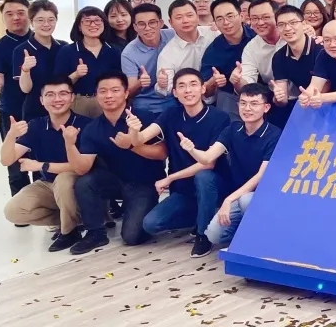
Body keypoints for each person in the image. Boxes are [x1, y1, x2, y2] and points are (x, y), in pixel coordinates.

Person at [131, 69, 232, 258]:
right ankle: (201, 216)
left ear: (203, 89)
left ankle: (203, 234)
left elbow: (208, 164)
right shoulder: (171, 114)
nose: (188, 90)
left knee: (203, 176)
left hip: (213, 185)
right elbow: (140, 139)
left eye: (193, 84)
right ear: (175, 92)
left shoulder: (219, 117)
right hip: (184, 189)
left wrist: (170, 178)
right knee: (151, 224)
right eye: (182, 86)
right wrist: (134, 131)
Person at [67, 71, 165, 254]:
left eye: (115, 90)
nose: (109, 95)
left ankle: (145, 209)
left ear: (126, 93)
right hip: (115, 180)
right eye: (103, 91)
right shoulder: (93, 128)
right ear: (96, 95)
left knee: (132, 237)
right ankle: (95, 233)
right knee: (85, 182)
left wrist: (132, 145)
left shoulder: (144, 117)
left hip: (144, 183)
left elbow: (162, 153)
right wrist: (69, 144)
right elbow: (82, 168)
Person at [185, 83, 280, 248]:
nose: (247, 108)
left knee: (246, 200)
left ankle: (257, 242)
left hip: (264, 195)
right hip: (239, 193)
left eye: (254, 104)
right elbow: (207, 158)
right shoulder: (233, 129)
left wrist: (228, 200)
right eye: (243, 103)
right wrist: (191, 149)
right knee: (214, 235)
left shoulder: (275, 135)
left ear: (266, 107)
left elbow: (260, 177)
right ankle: (244, 232)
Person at [1, 77, 90, 251]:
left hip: (79, 185)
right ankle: (74, 220)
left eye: (63, 93)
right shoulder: (36, 125)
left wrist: (40, 165)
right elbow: (6, 160)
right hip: (48, 184)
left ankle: (69, 232)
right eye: (50, 95)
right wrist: (11, 136)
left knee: (64, 180)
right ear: (42, 100)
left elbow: (82, 167)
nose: (57, 99)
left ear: (72, 97)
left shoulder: (85, 125)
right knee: (13, 211)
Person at [0, 0, 32, 201]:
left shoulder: (41, 41)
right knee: (16, 165)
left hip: (43, 112)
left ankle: (47, 207)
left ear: (29, 15)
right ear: (3, 17)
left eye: (21, 13)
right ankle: (22, 208)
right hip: (13, 112)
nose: (16, 18)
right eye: (10, 14)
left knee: (45, 161)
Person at [55, 6, 121, 118]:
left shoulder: (113, 51)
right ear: (79, 26)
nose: (93, 24)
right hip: (78, 102)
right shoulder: (67, 51)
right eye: (87, 21)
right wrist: (76, 75)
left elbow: (120, 80)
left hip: (107, 101)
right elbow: (57, 85)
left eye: (97, 20)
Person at [201, 0, 256, 119]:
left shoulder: (256, 36)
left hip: (263, 91)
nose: (226, 22)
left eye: (230, 16)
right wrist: (213, 82)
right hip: (232, 98)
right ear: (215, 23)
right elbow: (206, 92)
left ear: (241, 16)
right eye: (219, 19)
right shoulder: (213, 50)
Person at [155, 0, 218, 103]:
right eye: (179, 17)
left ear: (197, 17)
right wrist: (163, 85)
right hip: (189, 102)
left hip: (220, 96)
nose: (185, 20)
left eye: (189, 15)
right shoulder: (167, 54)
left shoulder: (214, 33)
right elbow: (168, 89)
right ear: (171, 23)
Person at [121, 3, 177, 119]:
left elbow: (195, 32)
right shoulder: (128, 53)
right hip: (146, 105)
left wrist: (212, 29)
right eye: (142, 24)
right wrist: (140, 83)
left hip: (175, 99)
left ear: (161, 23)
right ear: (135, 27)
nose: (147, 28)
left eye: (152, 22)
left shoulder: (173, 35)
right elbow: (129, 92)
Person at [15, 0, 67, 121]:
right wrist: (25, 70)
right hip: (35, 110)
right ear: (31, 22)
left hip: (62, 108)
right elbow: (25, 89)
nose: (46, 24)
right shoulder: (22, 50)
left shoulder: (64, 47)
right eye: (40, 20)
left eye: (51, 19)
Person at [270, 5, 320, 113]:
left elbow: (326, 86)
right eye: (281, 24)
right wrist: (278, 97)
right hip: (306, 103)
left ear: (304, 24)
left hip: (333, 100)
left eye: (293, 23)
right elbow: (283, 101)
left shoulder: (320, 49)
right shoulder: (279, 57)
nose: (287, 28)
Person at [238, 0, 285, 96]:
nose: (260, 23)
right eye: (254, 18)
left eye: (265, 17)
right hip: (274, 96)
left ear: (277, 17)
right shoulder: (251, 48)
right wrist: (237, 81)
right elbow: (248, 83)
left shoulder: (291, 34)